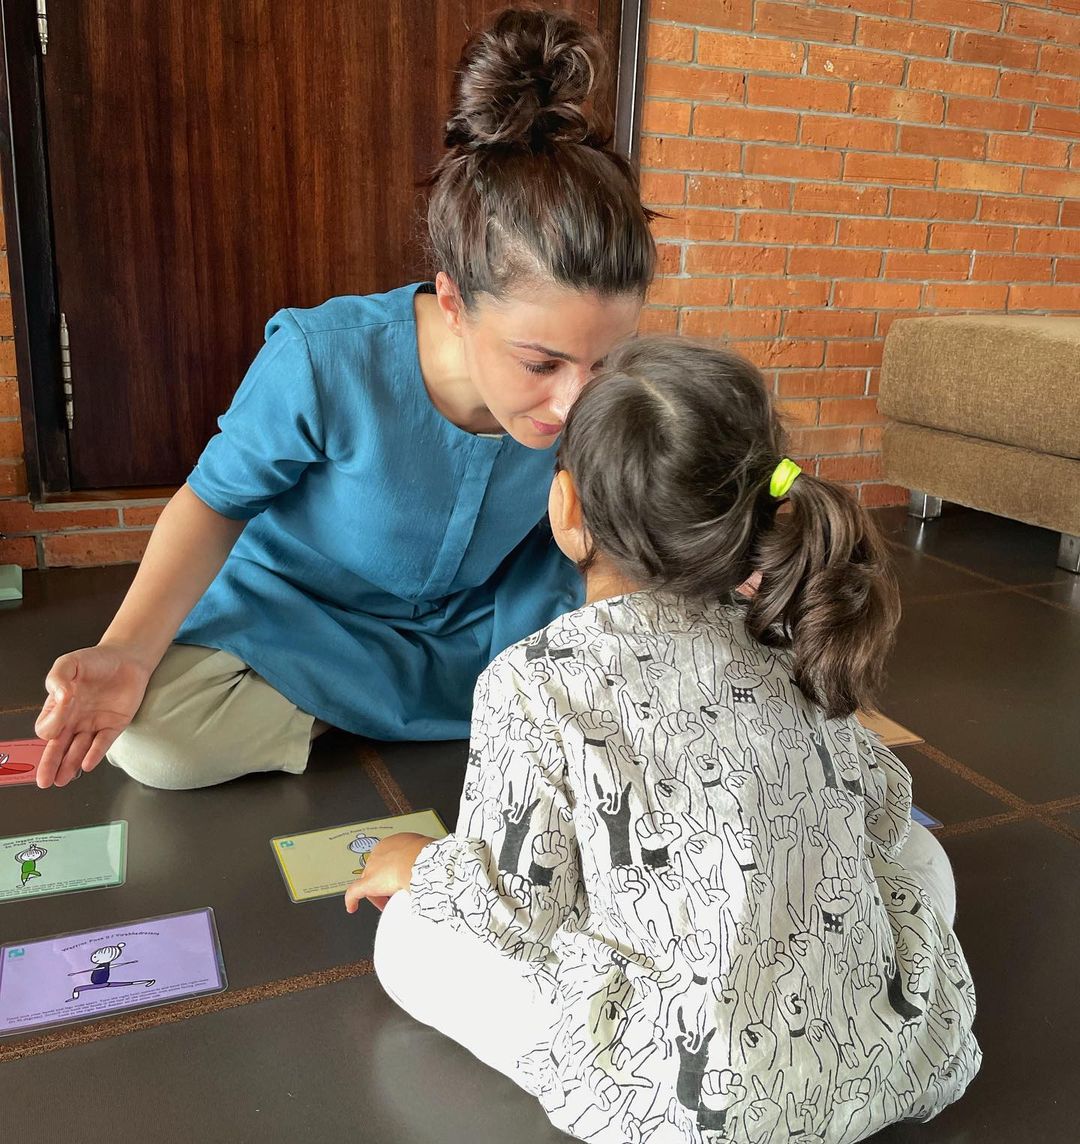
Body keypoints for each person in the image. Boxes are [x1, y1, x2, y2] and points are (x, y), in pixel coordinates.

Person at [347, 337, 981, 1144]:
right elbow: (884, 816)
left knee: (409, 940)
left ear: (567, 510)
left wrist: (423, 864)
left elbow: (518, 912)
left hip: (687, 1104)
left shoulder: (533, 681)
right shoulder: (796, 640)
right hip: (875, 1061)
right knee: (925, 864)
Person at [32, 8, 654, 791]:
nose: (575, 403)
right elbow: (213, 505)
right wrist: (125, 653)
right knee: (154, 740)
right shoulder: (324, 359)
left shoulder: (595, 391)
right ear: (455, 303)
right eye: (540, 363)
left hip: (480, 619)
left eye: (607, 360)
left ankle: (369, 707)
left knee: (666, 650)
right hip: (307, 617)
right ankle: (399, 704)